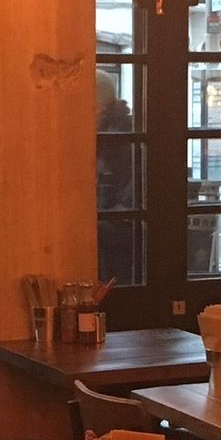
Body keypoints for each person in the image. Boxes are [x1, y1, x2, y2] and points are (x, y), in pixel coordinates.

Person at [96, 71, 138, 283]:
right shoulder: (115, 134)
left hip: (121, 245)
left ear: (98, 106)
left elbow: (130, 201)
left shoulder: (120, 140)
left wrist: (95, 223)